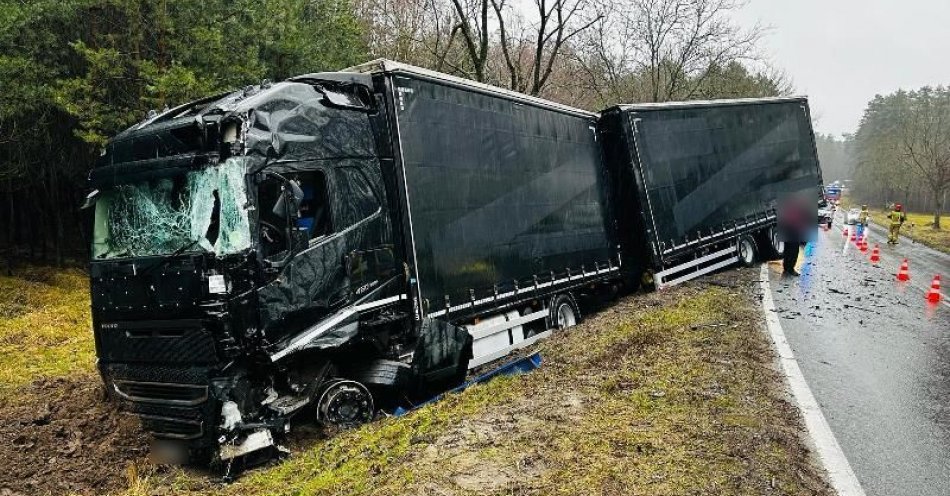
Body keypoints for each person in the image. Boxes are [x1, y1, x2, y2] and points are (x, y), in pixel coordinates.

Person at [778, 194, 812, 276]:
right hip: (794, 230)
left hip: (787, 229)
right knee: (793, 251)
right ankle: (790, 269)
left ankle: (786, 268)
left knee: (788, 250)